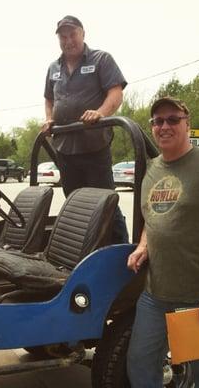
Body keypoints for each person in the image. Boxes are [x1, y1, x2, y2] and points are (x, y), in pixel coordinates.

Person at [126, 97, 199, 387]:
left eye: (172, 119)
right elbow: (152, 219)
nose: (164, 126)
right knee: (139, 365)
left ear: (187, 124)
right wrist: (143, 246)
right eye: (157, 121)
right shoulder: (152, 169)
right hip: (156, 295)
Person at [43, 15, 129, 243]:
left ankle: (123, 254)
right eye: (63, 36)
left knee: (106, 203)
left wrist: (100, 113)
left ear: (83, 33)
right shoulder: (53, 68)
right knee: (76, 207)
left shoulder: (101, 59)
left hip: (94, 147)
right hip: (65, 149)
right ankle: (85, 251)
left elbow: (116, 92)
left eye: (72, 34)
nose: (68, 40)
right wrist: (49, 119)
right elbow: (49, 99)